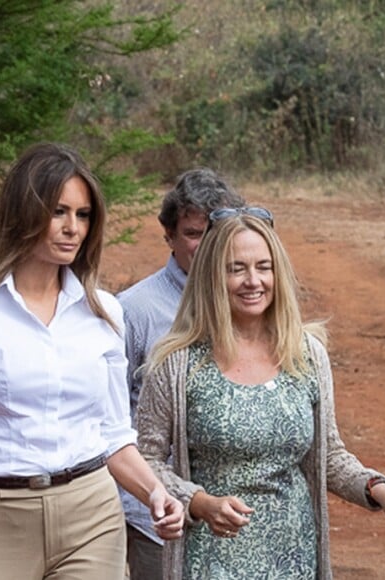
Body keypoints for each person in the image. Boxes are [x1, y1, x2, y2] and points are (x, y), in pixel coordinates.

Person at [135, 207, 385, 579]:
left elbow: (327, 456)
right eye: (237, 268)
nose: (253, 280)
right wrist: (198, 502)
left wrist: (378, 489)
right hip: (209, 563)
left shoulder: (306, 354)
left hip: (294, 561)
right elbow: (145, 459)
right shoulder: (177, 362)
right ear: (213, 276)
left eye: (263, 267)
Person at [0, 142, 184, 580]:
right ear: (24, 212)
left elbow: (115, 434)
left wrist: (156, 492)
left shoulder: (104, 311)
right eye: (58, 212)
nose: (72, 229)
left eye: (82, 216)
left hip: (91, 514)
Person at [117, 168, 245, 580]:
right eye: (192, 232)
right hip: (160, 524)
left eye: (216, 229)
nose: (206, 244)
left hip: (236, 519)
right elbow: (111, 420)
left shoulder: (252, 299)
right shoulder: (134, 311)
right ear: (169, 235)